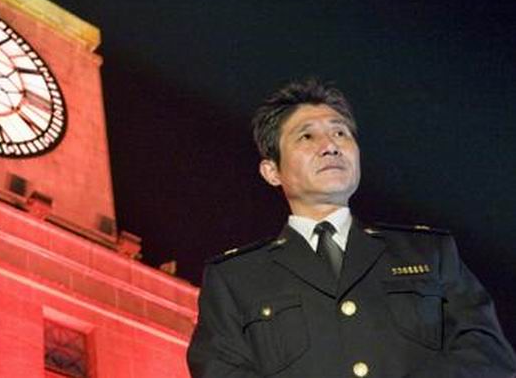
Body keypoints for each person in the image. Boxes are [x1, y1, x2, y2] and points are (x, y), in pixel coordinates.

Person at [187, 79, 516, 377]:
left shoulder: (430, 254)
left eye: (340, 132)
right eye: (307, 136)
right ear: (272, 171)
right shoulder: (235, 280)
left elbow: (489, 356)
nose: (330, 145)